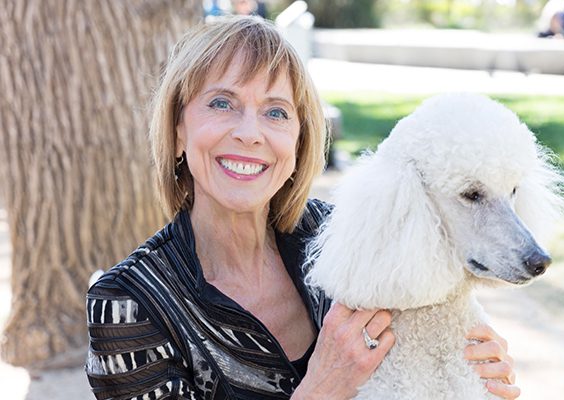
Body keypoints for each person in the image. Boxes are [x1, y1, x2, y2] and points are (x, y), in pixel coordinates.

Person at [85, 16, 520, 399]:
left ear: (298, 139)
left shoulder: (348, 236)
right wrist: (322, 389)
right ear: (178, 131)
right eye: (222, 103)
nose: (250, 133)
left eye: (276, 113)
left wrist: (477, 366)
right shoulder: (126, 305)